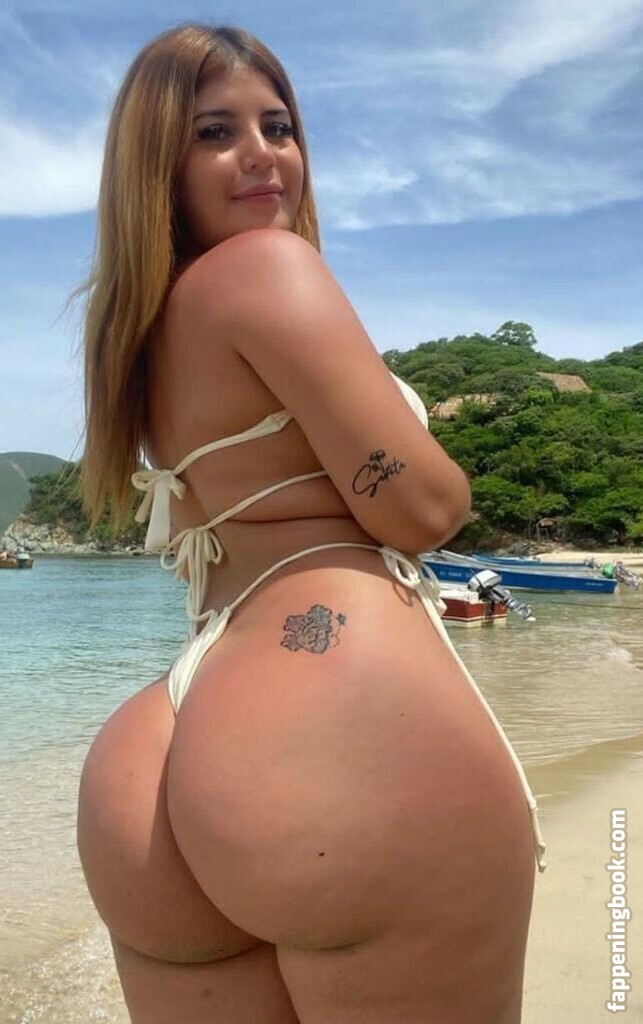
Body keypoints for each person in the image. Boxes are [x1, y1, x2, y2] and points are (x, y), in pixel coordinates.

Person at [76, 23, 545, 1024]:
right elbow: (421, 508)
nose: (262, 154)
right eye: (214, 133)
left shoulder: (144, 334)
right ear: (158, 164)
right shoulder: (265, 270)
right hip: (333, 716)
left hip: (158, 747)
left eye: (278, 126)